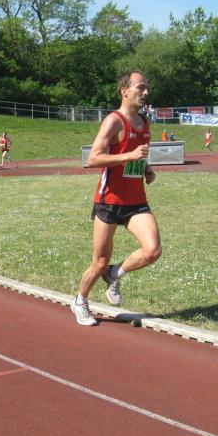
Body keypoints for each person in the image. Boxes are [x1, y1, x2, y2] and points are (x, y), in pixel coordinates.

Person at [71, 69, 161, 326]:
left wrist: (145, 168)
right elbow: (93, 158)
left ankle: (115, 274)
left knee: (153, 250)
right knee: (99, 262)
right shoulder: (113, 121)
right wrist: (129, 156)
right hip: (109, 200)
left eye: (146, 87)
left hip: (136, 200)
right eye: (140, 87)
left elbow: (136, 154)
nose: (146, 92)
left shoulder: (144, 122)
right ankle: (80, 301)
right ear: (125, 92)